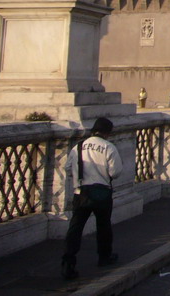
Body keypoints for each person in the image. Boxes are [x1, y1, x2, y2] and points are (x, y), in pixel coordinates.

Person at [61, 117, 122, 280]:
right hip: (102, 193)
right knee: (103, 226)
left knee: (75, 228)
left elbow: (67, 168)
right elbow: (115, 172)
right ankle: (104, 257)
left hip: (81, 193)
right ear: (108, 132)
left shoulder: (78, 147)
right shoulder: (109, 147)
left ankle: (68, 261)